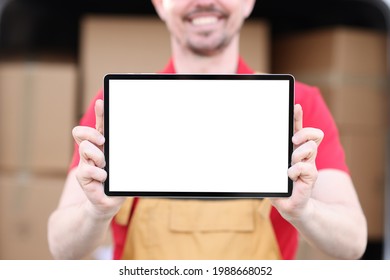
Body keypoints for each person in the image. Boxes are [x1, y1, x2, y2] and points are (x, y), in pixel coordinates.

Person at [47, 0, 367, 260]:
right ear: (159, 4)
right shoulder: (117, 105)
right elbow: (61, 246)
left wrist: (304, 211)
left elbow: (353, 242)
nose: (203, 1)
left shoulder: (297, 105)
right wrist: (95, 212)